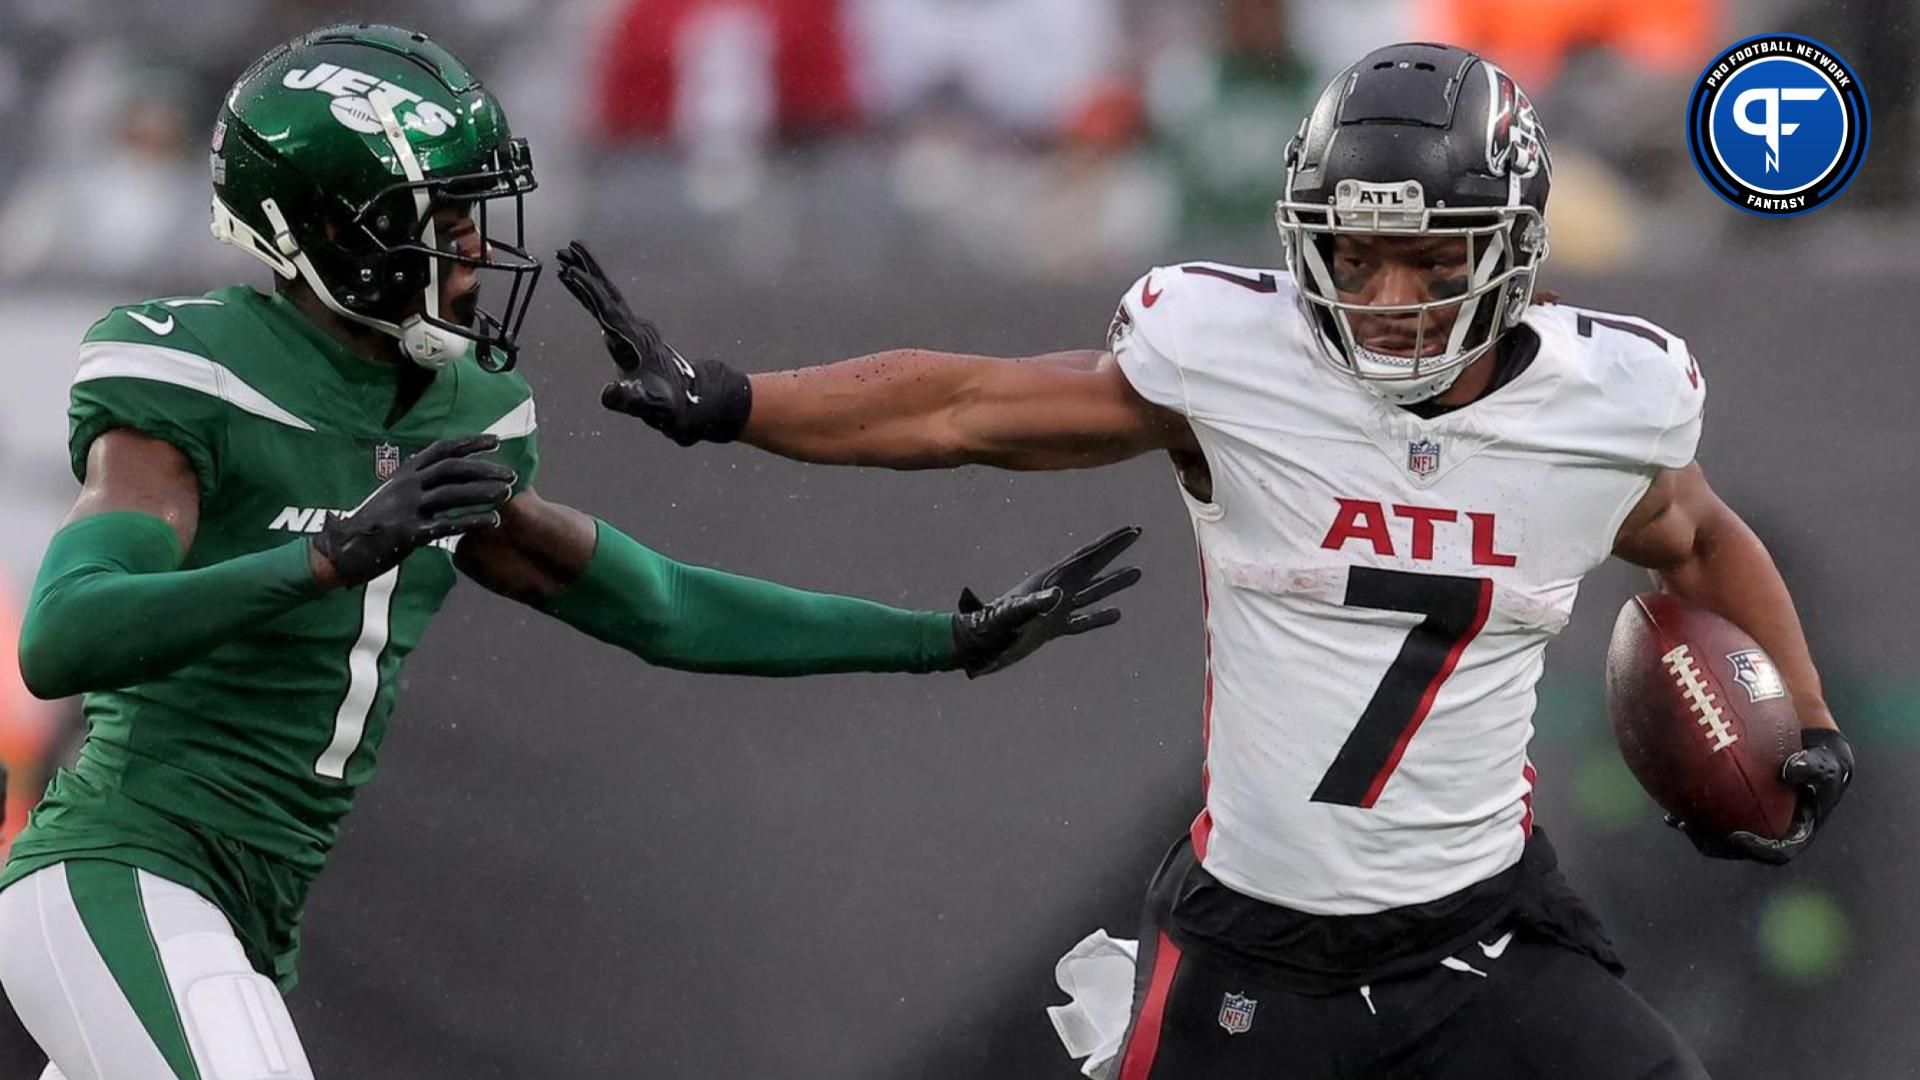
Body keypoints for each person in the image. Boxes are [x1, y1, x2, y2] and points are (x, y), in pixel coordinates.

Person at [559, 42, 1856, 1080]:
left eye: (1428, 255)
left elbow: (1697, 538)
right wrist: (741, 399)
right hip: (1259, 961)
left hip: (1486, 937)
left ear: (1510, 253)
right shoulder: (1235, 366)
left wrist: (1801, 715)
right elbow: (965, 408)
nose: (1390, 293)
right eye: (1355, 251)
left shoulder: (1601, 406)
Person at [0, 24, 1142, 1080]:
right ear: (330, 230)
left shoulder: (464, 407)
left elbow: (659, 604)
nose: (472, 254)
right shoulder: (196, 369)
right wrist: (333, 555)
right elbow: (64, 636)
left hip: (246, 909)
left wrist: (935, 640)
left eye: (472, 220)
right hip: (123, 867)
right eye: (438, 225)